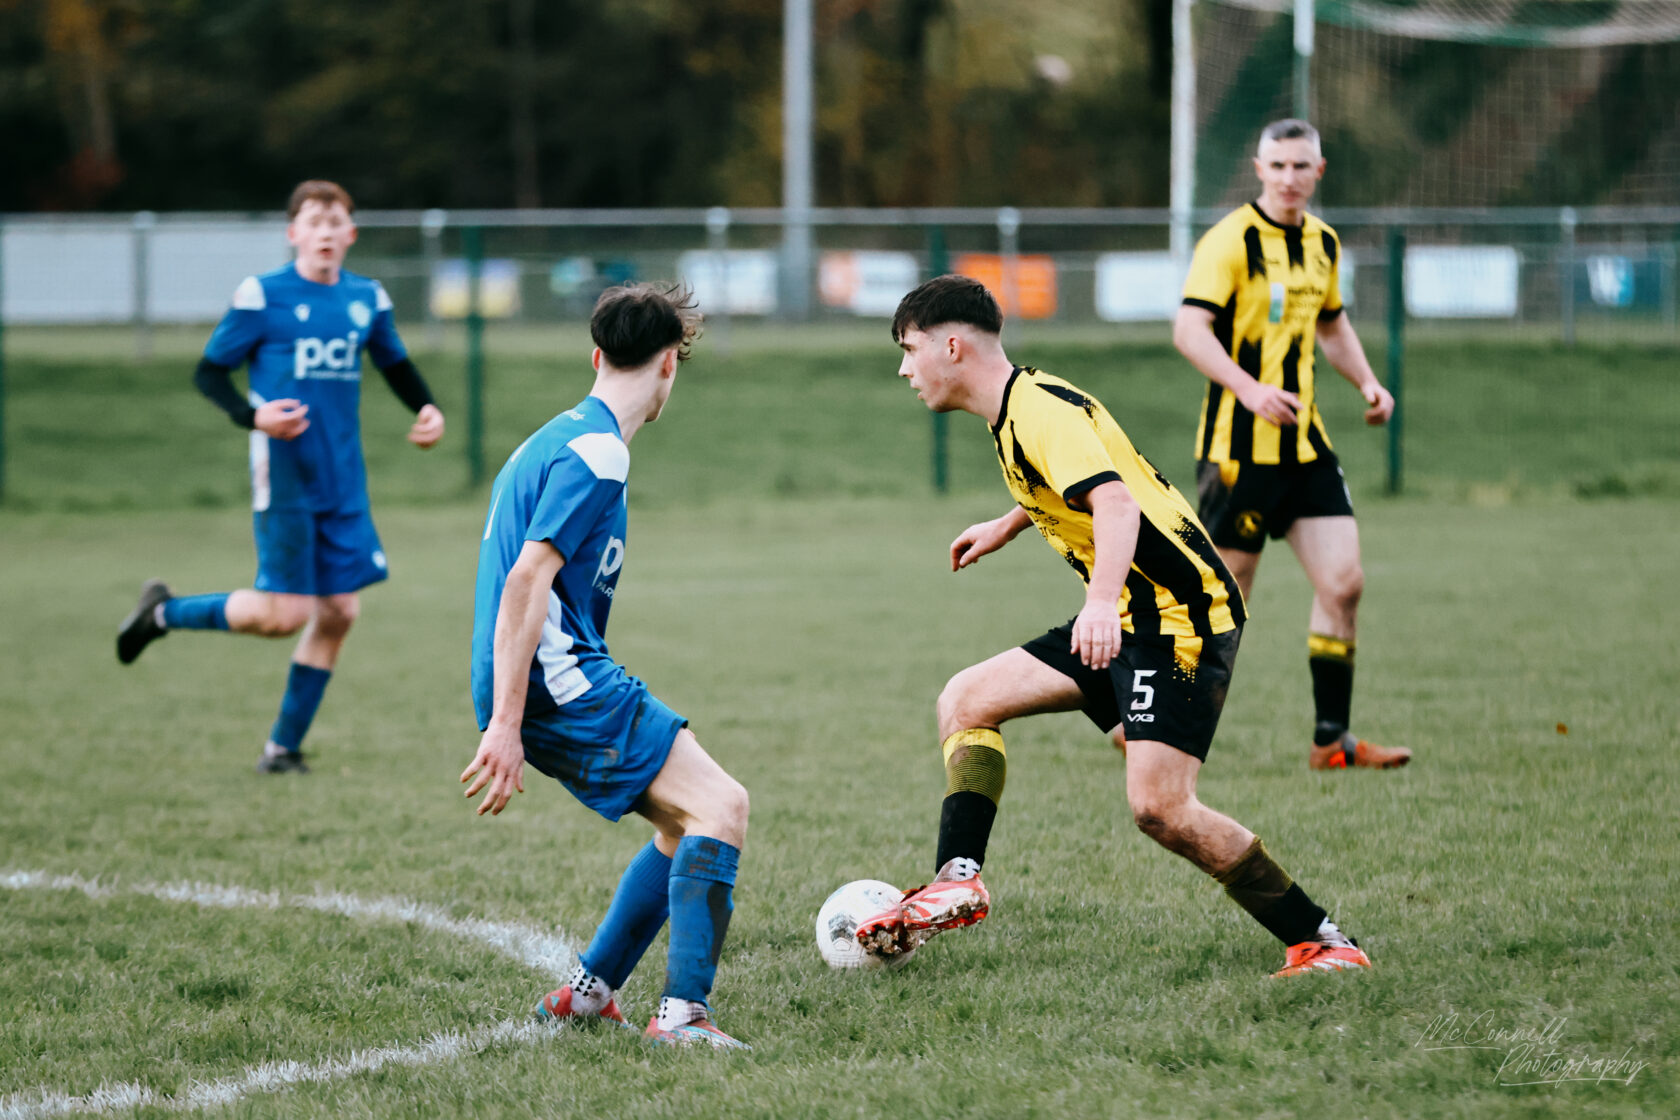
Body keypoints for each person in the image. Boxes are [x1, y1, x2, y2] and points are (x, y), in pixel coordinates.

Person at [858, 274, 1372, 978]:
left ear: (951, 346)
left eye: (909, 349)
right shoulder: (1019, 406)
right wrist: (1009, 524)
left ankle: (1323, 940)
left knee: (1161, 808)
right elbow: (1089, 473)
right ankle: (958, 877)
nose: (904, 368)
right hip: (1130, 614)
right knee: (965, 700)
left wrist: (1099, 605)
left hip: (1178, 618)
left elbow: (1118, 505)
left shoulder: (1038, 412)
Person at [459, 283, 751, 1048]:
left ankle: (588, 993)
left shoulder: (556, 437)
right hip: (558, 681)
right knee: (722, 808)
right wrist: (506, 724)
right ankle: (684, 1016)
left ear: (596, 356)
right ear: (667, 365)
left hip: (540, 675)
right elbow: (526, 578)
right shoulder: (598, 452)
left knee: (680, 825)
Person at [115, 180, 445, 774]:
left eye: (335, 221)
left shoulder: (367, 297)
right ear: (293, 233)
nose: (324, 231)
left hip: (342, 477)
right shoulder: (261, 295)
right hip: (285, 475)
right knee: (283, 615)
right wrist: (254, 415)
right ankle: (161, 614)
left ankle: (282, 749)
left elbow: (394, 362)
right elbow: (209, 372)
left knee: (341, 611)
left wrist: (426, 407)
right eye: (312, 221)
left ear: (351, 235)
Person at [1172, 119, 1410, 771]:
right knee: (1221, 599)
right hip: (1237, 449)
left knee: (1344, 583)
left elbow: (1331, 325)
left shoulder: (1324, 245)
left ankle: (1331, 742)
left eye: (1300, 167)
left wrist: (1367, 381)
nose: (1288, 178)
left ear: (1319, 172)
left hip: (1305, 448)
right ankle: (1153, 717)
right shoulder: (1229, 241)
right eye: (1276, 166)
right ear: (1259, 168)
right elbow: (1190, 331)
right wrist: (1249, 390)